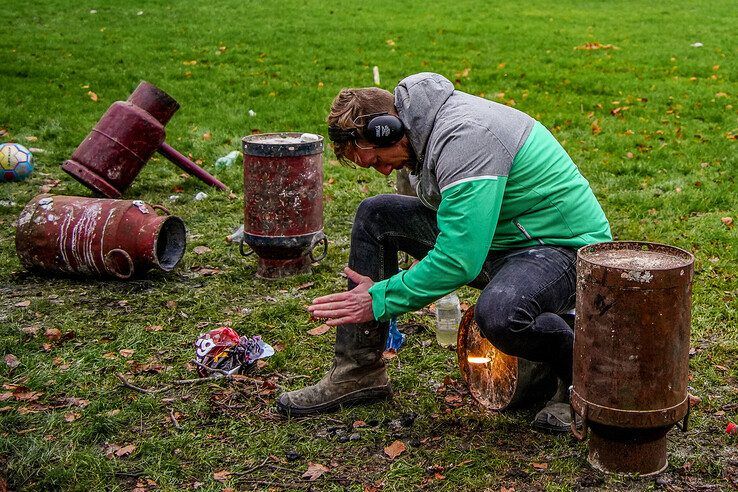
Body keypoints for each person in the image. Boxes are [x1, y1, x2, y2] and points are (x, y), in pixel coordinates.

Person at [276, 72, 611, 432]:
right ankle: (358, 372)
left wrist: (378, 299)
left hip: (562, 250)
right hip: (502, 237)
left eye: (378, 161)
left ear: (388, 128)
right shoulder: (421, 133)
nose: (385, 169)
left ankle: (576, 370)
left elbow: (459, 260)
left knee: (500, 314)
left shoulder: (466, 137)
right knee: (377, 215)